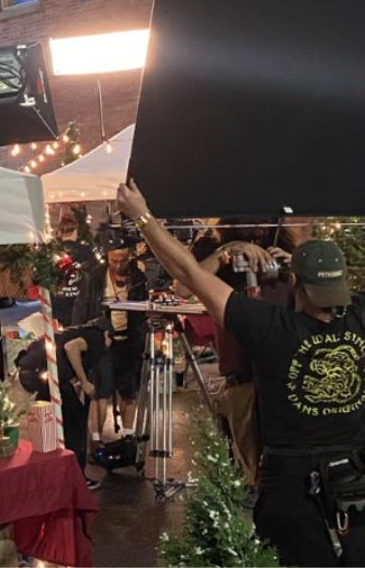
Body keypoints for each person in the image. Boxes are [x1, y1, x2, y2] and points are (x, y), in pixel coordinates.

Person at [118, 180, 365, 566]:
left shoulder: (273, 331)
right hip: (353, 479)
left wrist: (142, 216)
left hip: (292, 491)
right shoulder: (359, 317)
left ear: (294, 282)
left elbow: (188, 274)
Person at [179, 220, 296, 507]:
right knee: (255, 475)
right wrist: (226, 252)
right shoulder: (214, 246)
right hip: (242, 375)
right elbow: (182, 289)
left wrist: (298, 268)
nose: (256, 227)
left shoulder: (283, 240)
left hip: (286, 372)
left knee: (290, 472)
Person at [17, 318, 112, 490]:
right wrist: (84, 381)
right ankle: (76, 478)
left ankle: (49, 474)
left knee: (49, 424)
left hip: (29, 372)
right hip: (47, 375)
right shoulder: (96, 336)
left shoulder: (72, 329)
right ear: (107, 334)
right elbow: (71, 347)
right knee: (75, 424)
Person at [73, 232, 147, 443]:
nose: (117, 265)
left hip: (129, 341)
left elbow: (141, 313)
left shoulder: (138, 278)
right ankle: (96, 439)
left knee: (128, 391)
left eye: (122, 261)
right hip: (102, 340)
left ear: (129, 257)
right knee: (100, 393)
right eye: (113, 260)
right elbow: (82, 307)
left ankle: (128, 436)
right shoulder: (96, 277)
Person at [51, 209, 99, 329]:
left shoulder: (52, 252)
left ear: (60, 232)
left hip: (58, 303)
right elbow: (96, 271)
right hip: (80, 302)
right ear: (75, 231)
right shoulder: (85, 250)